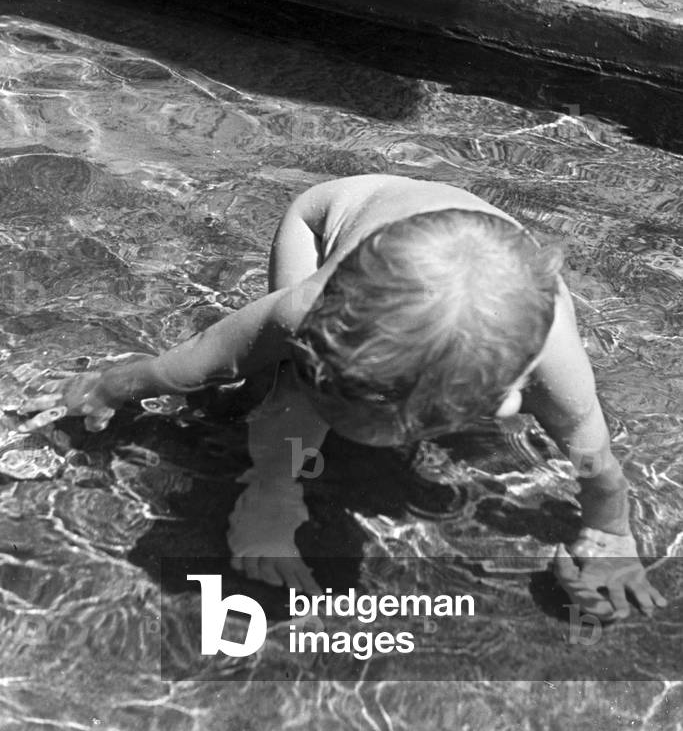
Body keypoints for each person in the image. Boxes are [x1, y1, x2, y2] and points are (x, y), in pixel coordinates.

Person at [20, 174, 666, 620]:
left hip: (474, 267)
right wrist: (112, 385)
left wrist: (609, 525)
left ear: (498, 401)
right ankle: (272, 485)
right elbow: (187, 366)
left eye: (352, 415)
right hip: (328, 217)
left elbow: (593, 457)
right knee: (268, 387)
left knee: (307, 391)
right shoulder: (304, 309)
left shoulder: (550, 358)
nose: (321, 401)